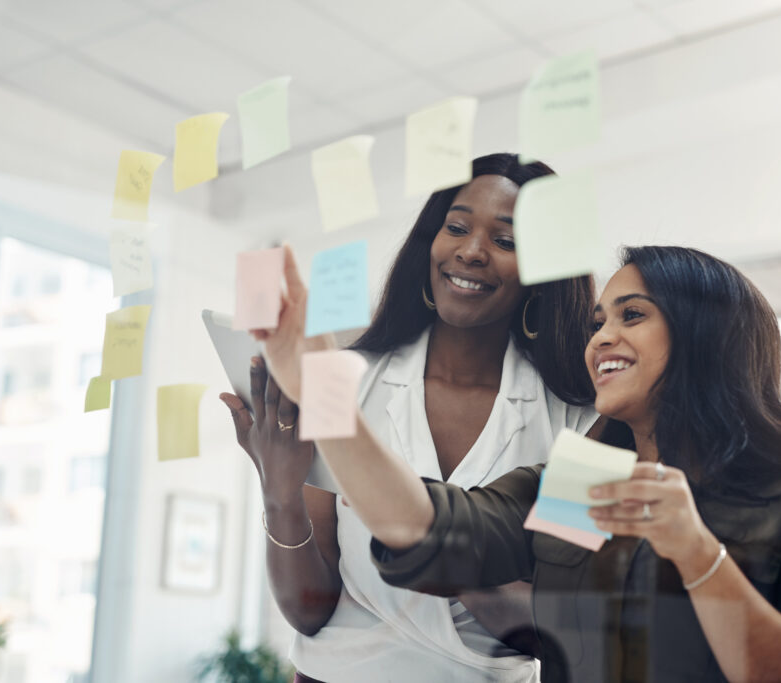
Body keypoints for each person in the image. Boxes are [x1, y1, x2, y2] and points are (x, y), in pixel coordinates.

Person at [255, 244, 781, 682]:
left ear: (705, 336)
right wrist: (325, 396)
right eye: (599, 321)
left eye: (632, 315)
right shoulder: (582, 482)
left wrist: (698, 555)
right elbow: (425, 524)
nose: (601, 338)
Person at [222, 153, 601, 682]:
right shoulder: (342, 380)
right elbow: (307, 612)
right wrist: (280, 491)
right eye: (457, 227)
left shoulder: (582, 428)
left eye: (506, 240)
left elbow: (558, 629)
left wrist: (424, 545)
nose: (471, 251)